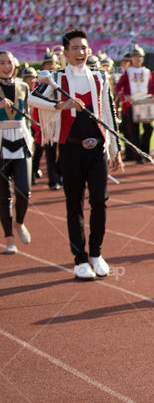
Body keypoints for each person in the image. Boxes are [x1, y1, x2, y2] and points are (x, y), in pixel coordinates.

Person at [29, 29, 123, 280]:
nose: (80, 53)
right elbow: (32, 99)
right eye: (75, 49)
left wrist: (115, 148)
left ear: (89, 50)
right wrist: (61, 105)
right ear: (65, 53)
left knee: (100, 201)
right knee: (74, 204)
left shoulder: (100, 77)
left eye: (84, 48)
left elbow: (108, 113)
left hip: (97, 151)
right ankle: (79, 258)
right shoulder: (56, 79)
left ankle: (96, 252)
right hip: (70, 150)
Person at [0, 52, 34, 254]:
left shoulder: (23, 86)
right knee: (4, 196)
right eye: (1, 63)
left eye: (8, 63)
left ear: (15, 64)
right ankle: (9, 238)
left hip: (21, 141)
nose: (5, 66)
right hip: (0, 143)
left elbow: (28, 114)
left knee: (24, 190)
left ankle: (19, 222)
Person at [114, 45, 154, 164]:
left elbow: (151, 87)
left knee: (149, 128)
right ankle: (138, 156)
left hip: (145, 103)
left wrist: (151, 95)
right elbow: (118, 88)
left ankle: (145, 152)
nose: (138, 59)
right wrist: (124, 96)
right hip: (132, 104)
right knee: (134, 131)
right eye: (135, 56)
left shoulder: (147, 72)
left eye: (140, 57)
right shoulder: (128, 71)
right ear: (131, 58)